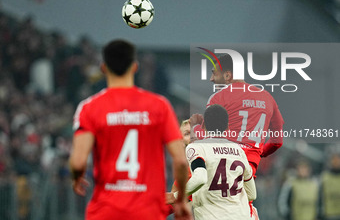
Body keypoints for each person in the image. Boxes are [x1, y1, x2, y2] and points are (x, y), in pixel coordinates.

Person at [69, 39, 192, 220]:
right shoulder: (160, 106)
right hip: (146, 211)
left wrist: (77, 177)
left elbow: (78, 161)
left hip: (106, 211)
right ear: (135, 67)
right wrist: (180, 198)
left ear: (103, 68)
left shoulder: (89, 108)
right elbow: (181, 161)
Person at [192, 54, 284, 176]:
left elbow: (206, 136)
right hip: (249, 171)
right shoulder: (267, 98)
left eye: (214, 73)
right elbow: (277, 140)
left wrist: (193, 126)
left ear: (228, 75)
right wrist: (258, 153)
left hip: (222, 171)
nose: (211, 78)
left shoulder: (219, 97)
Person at [183, 104, 256, 220]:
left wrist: (175, 196)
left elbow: (200, 178)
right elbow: (252, 194)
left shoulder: (197, 148)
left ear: (203, 125)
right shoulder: (239, 150)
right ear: (227, 127)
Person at [319, 152, 340, 220]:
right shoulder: (324, 177)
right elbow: (319, 196)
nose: (336, 162)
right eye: (334, 159)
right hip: (329, 215)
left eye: (338, 159)